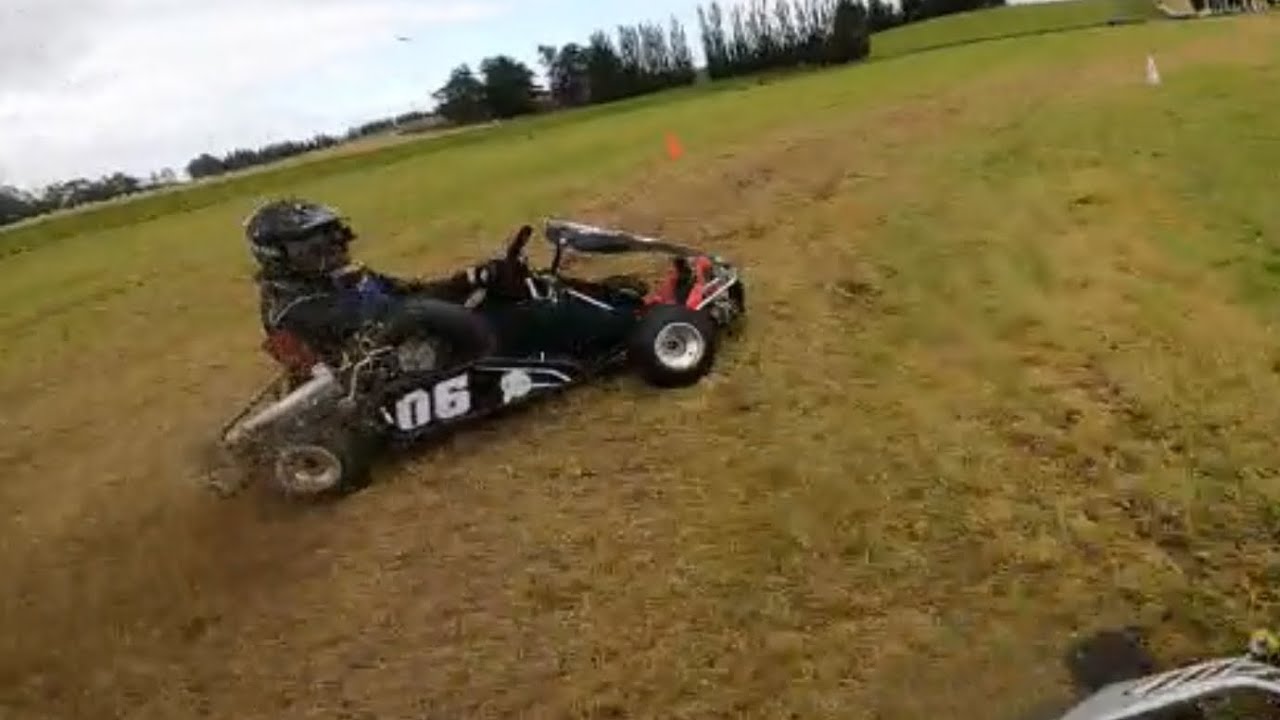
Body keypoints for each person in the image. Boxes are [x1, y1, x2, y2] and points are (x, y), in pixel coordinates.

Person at [245, 197, 514, 370]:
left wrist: (471, 279)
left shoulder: (339, 277)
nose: (335, 245)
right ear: (278, 255)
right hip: (385, 374)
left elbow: (410, 294)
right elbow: (390, 323)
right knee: (421, 313)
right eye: (315, 242)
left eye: (332, 235)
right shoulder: (291, 308)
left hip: (424, 343)